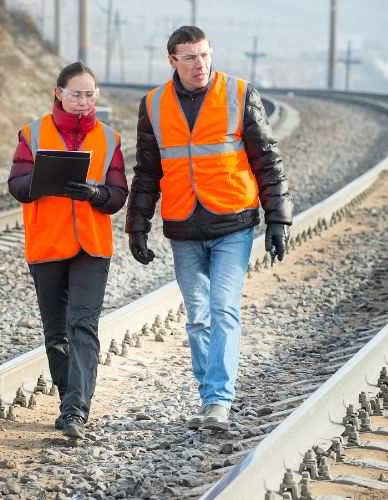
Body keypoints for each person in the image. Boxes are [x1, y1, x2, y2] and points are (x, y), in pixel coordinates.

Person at [125, 26, 293, 430]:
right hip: (183, 227)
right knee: (198, 316)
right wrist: (137, 226)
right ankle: (209, 397)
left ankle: (218, 400)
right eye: (189, 57)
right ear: (172, 61)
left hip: (233, 222)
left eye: (204, 55)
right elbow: (148, 172)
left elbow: (266, 159)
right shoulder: (153, 105)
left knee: (223, 309)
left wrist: (278, 219)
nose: (199, 64)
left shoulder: (239, 93)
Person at [8, 62, 128, 439]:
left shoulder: (109, 138)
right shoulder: (33, 134)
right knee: (56, 332)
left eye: (90, 94)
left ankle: (77, 410)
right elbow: (17, 185)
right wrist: (45, 181)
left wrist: (96, 194)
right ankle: (68, 400)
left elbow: (118, 194)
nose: (83, 101)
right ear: (58, 92)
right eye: (76, 94)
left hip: (91, 247)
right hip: (48, 244)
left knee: (83, 326)